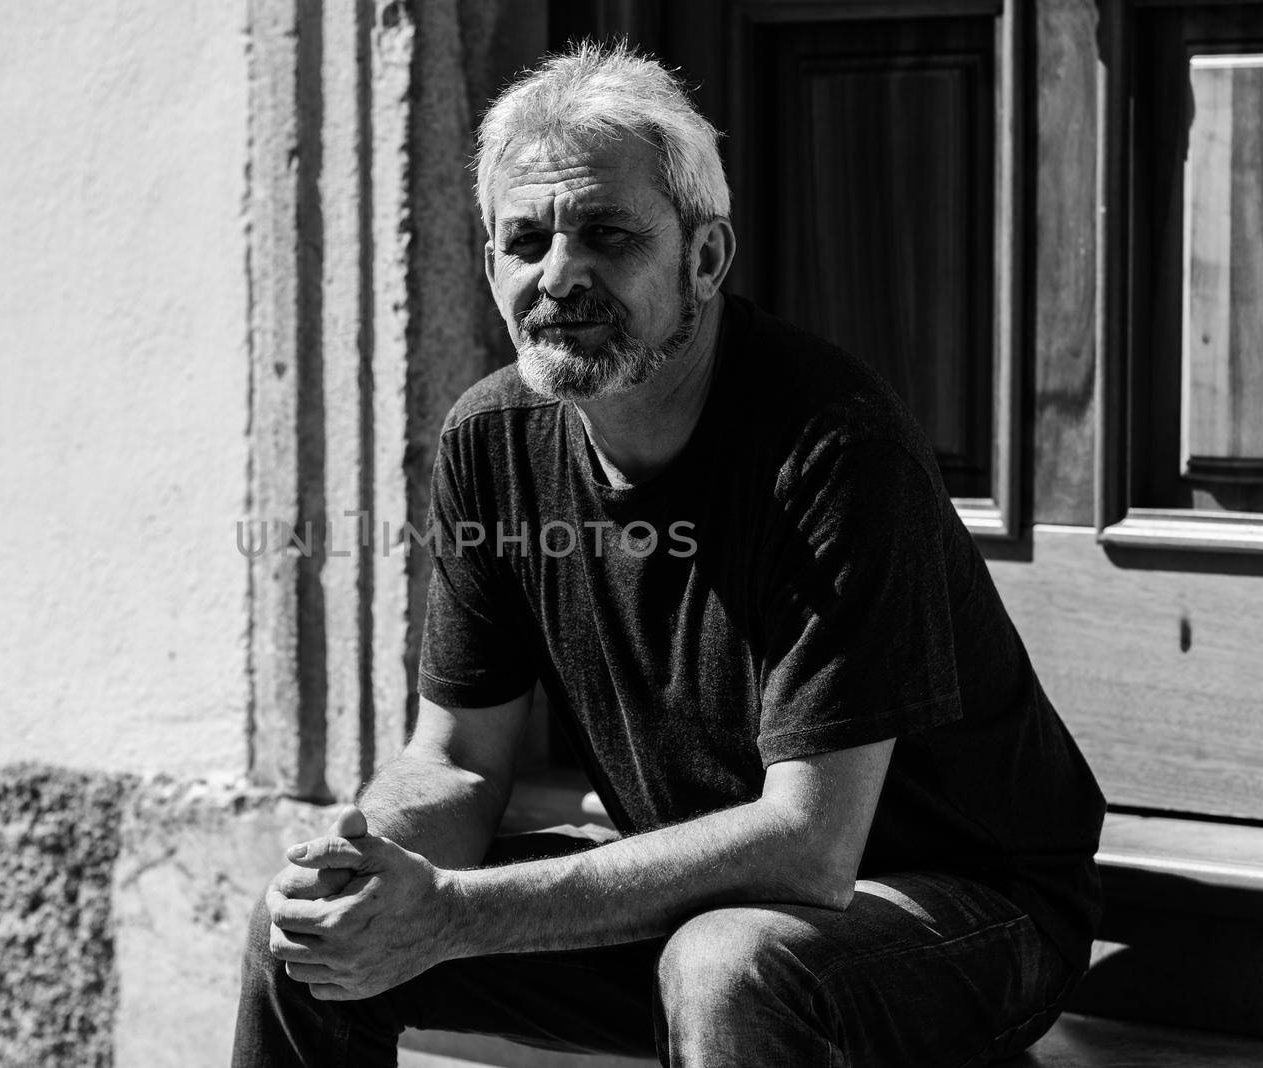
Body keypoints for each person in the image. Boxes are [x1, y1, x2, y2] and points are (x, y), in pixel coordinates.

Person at [232, 41, 1105, 1067]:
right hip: (705, 891)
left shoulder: (833, 448)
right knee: (304, 940)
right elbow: (462, 757)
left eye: (605, 233)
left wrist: (459, 915)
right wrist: (370, 874)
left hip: (958, 910)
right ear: (489, 268)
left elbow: (809, 849)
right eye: (524, 241)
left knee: (727, 966)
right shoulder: (489, 440)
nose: (559, 275)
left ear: (704, 258)